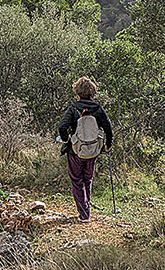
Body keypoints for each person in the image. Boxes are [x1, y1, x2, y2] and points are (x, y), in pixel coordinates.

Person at [57, 76, 113, 223]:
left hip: (76, 150)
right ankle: (86, 209)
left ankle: (84, 214)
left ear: (77, 91)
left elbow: (62, 126)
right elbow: (108, 127)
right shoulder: (98, 108)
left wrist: (66, 139)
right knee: (88, 179)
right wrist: (108, 143)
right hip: (93, 150)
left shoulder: (74, 108)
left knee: (77, 180)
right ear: (92, 91)